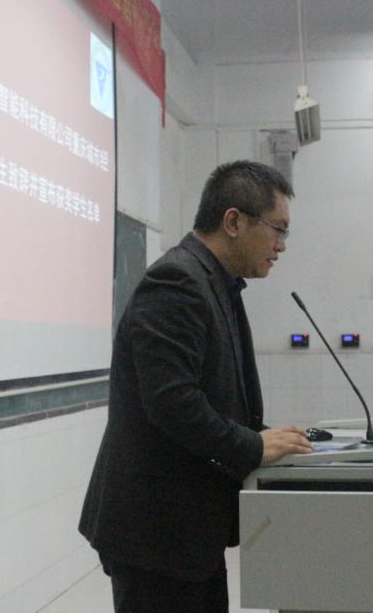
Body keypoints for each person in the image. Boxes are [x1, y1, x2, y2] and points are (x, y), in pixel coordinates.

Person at [78, 160, 313, 612]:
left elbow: (215, 394)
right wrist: (252, 446)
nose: (282, 245)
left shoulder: (216, 282)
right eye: (278, 229)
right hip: (155, 533)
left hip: (186, 532)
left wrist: (264, 437)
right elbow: (172, 402)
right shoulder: (176, 282)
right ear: (233, 221)